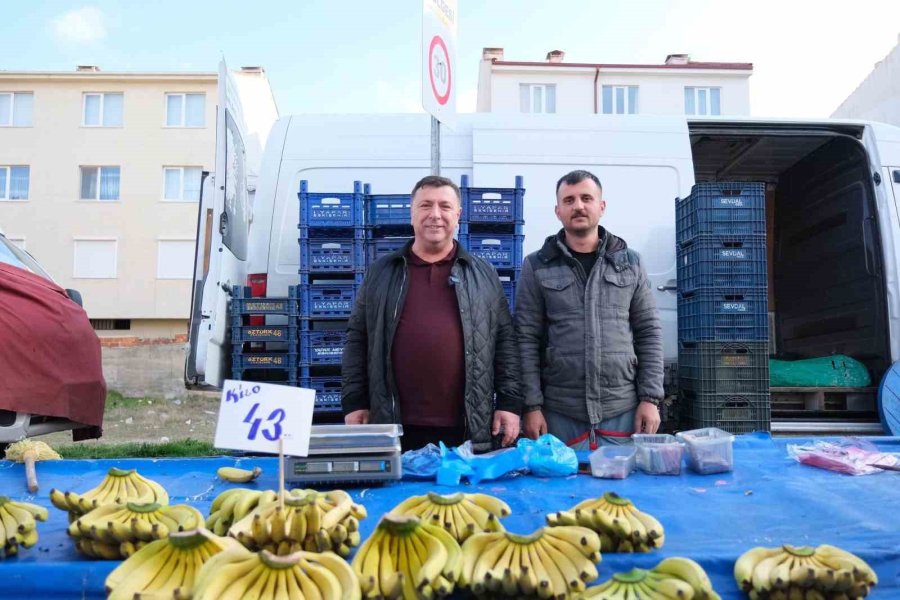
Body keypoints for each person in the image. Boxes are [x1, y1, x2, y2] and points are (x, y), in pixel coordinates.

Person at [341, 175, 522, 452]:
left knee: (459, 497)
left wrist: (509, 404)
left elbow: (505, 343)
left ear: (458, 215)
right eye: (425, 205)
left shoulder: (483, 274)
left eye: (445, 206)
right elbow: (358, 340)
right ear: (412, 213)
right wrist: (355, 402)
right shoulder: (382, 272)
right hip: (394, 424)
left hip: (465, 427)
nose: (435, 215)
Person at [515, 169, 664, 449]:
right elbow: (525, 338)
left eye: (586, 198)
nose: (578, 206)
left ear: (601, 206)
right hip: (560, 412)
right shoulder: (537, 265)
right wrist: (531, 405)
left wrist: (650, 399)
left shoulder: (630, 263)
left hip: (622, 409)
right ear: (558, 211)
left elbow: (648, 332)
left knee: (619, 491)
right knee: (561, 489)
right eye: (569, 200)